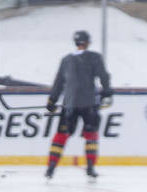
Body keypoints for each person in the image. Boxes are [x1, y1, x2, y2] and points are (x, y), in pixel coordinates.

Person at [44, 30, 111, 180]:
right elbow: (103, 76)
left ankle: (51, 168)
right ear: (88, 42)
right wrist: (107, 91)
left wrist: (52, 100)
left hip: (69, 104)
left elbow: (58, 82)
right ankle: (90, 167)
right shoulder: (94, 57)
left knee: (61, 136)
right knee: (91, 135)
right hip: (89, 103)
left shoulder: (66, 60)